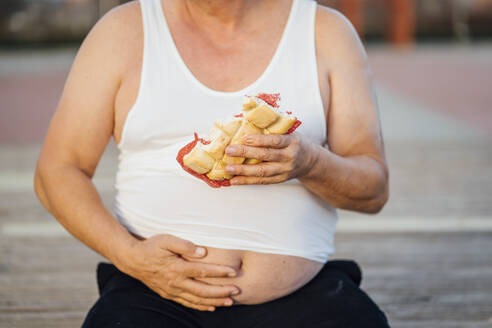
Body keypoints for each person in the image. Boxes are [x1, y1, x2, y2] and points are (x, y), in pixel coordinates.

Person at [34, 0, 390, 326]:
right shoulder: (123, 31)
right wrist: (128, 255)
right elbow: (58, 171)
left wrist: (310, 163)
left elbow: (373, 190)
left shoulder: (324, 31)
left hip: (304, 295)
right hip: (152, 295)